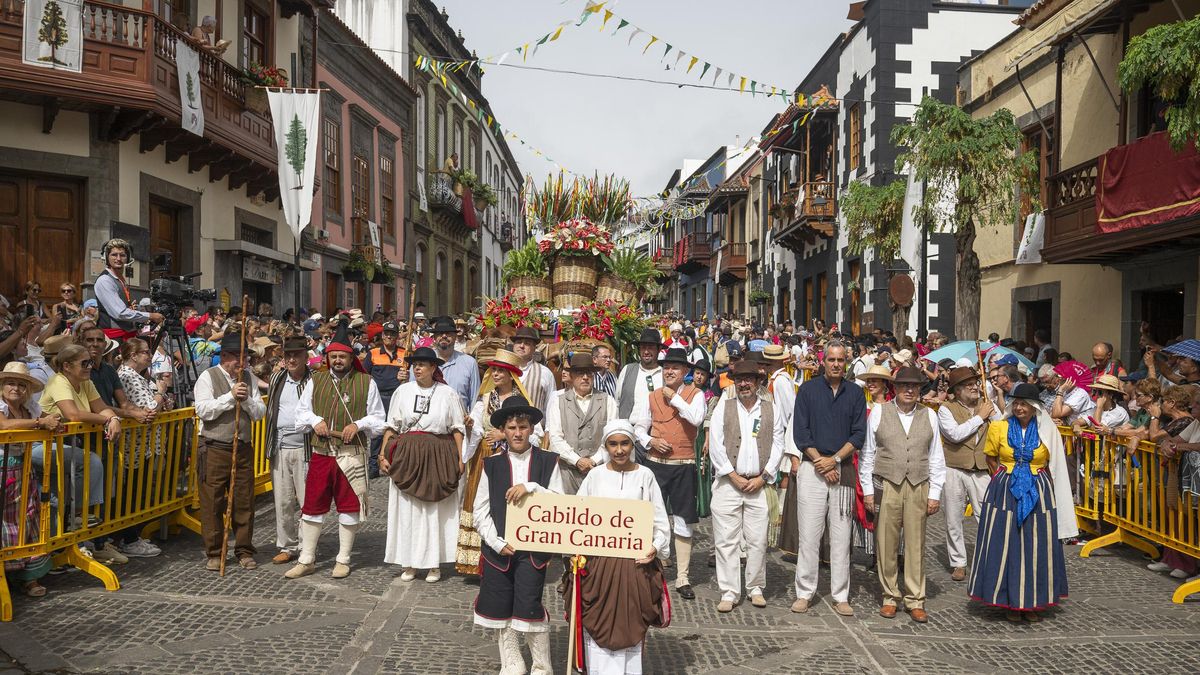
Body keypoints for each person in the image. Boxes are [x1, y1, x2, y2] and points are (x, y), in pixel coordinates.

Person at [968, 383, 1075, 622]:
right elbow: (990, 457)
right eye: (1015, 403)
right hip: (1005, 490)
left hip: (1039, 489)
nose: (1019, 408)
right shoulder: (999, 428)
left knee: (1036, 544)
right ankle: (1008, 600)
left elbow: (1054, 462)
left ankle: (1032, 602)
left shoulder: (1046, 430)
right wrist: (1005, 479)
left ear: (1034, 407)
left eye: (1024, 404)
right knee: (1006, 543)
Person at [286, 322, 386, 579]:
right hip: (322, 453)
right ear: (328, 357)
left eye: (342, 356)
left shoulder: (366, 382)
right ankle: (307, 558)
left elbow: (378, 419)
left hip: (351, 454)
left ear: (352, 358)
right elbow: (301, 412)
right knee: (312, 506)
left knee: (349, 506)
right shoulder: (316, 380)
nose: (338, 360)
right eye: (334, 356)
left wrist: (358, 424)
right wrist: (315, 421)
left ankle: (343, 559)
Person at [471, 395, 561, 675]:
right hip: (500, 551)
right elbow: (480, 510)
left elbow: (560, 501)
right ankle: (512, 662)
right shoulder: (492, 465)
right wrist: (496, 542)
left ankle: (542, 666)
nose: (518, 433)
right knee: (500, 606)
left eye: (523, 427)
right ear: (504, 431)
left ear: (531, 428)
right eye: (512, 428)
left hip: (533, 551)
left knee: (529, 604)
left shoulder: (548, 462)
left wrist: (532, 486)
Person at [573, 420, 670, 674]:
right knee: (598, 626)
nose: (619, 450)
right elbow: (575, 516)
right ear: (605, 446)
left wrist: (655, 547)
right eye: (613, 444)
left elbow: (660, 521)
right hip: (600, 568)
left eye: (624, 443)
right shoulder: (595, 476)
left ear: (632, 444)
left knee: (630, 622)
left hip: (634, 567)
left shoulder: (645, 476)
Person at [859, 367, 946, 623]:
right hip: (888, 483)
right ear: (895, 388)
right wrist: (867, 491)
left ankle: (915, 598)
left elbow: (936, 458)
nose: (910, 390)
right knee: (886, 542)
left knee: (916, 543)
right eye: (905, 386)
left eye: (915, 386)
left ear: (920, 389)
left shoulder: (929, 415)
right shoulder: (879, 412)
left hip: (918, 483)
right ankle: (890, 596)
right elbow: (867, 454)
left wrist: (935, 493)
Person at [787, 341, 865, 617]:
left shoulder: (856, 393)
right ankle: (804, 592)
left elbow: (858, 435)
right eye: (831, 359)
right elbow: (800, 433)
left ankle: (840, 594)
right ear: (823, 361)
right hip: (812, 467)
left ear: (846, 362)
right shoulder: (807, 390)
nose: (835, 364)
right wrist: (821, 462)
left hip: (842, 469)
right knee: (809, 534)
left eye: (840, 360)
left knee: (842, 536)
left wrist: (835, 460)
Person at [380, 346, 465, 583]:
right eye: (414, 364)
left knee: (434, 510)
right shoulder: (403, 392)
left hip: (438, 453)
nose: (416, 368)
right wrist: (382, 455)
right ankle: (409, 562)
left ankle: (433, 563)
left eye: (422, 364)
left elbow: (457, 429)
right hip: (407, 455)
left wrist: (460, 459)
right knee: (408, 510)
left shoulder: (447, 394)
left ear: (433, 368)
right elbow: (391, 426)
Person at [708, 360, 785, 613]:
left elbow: (778, 444)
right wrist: (732, 475)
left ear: (757, 381)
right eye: (739, 379)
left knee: (757, 539)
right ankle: (729, 591)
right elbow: (716, 445)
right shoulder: (724, 406)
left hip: (758, 483)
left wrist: (764, 477)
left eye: (749, 379)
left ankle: (755, 587)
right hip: (728, 483)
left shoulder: (770, 409)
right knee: (726, 540)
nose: (743, 384)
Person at [631, 347, 705, 600]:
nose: (669, 371)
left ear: (685, 371)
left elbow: (695, 419)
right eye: (666, 368)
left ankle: (683, 575)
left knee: (684, 520)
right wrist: (650, 440)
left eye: (674, 367)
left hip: (684, 464)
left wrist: (674, 397)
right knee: (652, 516)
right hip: (655, 464)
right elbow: (637, 426)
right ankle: (657, 567)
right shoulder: (650, 396)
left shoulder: (696, 395)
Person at [459, 349, 536, 577]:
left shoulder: (521, 401)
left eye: (501, 371)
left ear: (511, 375)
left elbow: (533, 429)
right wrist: (471, 425)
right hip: (485, 455)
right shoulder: (485, 398)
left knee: (505, 503)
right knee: (481, 502)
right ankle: (476, 561)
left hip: (511, 456)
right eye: (493, 370)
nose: (495, 374)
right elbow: (478, 426)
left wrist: (504, 434)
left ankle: (511, 551)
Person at [193, 332, 266, 571]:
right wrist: (230, 397)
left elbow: (259, 413)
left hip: (242, 448)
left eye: (244, 357)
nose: (241, 362)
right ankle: (214, 552)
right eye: (237, 357)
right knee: (212, 502)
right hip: (214, 448)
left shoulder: (249, 378)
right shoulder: (208, 377)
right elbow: (203, 410)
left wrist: (244, 400)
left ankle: (244, 550)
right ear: (225, 356)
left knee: (244, 501)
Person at [937, 367, 1000, 582]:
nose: (975, 387)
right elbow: (954, 435)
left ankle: (987, 558)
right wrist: (980, 418)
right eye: (968, 385)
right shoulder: (946, 408)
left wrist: (993, 409)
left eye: (976, 383)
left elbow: (1001, 426)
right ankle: (958, 562)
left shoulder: (987, 406)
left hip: (982, 469)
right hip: (954, 468)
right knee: (953, 518)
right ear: (957, 390)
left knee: (986, 517)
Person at [0, 362, 58, 597]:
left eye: (22, 384)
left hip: (22, 470)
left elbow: (49, 417)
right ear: (2, 386)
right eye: (11, 383)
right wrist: (39, 423)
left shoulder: (30, 407)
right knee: (5, 523)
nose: (16, 388)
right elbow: (2, 426)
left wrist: (52, 420)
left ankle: (28, 577)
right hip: (2, 470)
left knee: (29, 519)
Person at [112, 338, 167, 558]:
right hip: (134, 444)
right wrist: (161, 391)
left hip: (143, 444)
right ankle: (129, 538)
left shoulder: (136, 376)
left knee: (137, 489)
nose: (149, 356)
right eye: (145, 352)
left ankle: (132, 535)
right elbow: (149, 409)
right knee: (132, 490)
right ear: (133, 355)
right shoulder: (127, 375)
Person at [263, 335, 310, 565]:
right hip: (280, 446)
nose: (291, 359)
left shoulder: (315, 380)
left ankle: (306, 545)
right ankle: (287, 545)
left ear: (305, 357)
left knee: (306, 501)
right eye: (288, 355)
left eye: (296, 355)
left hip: (306, 448)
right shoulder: (277, 378)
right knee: (282, 501)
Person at [546, 352, 617, 495]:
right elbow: (555, 438)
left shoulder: (607, 400)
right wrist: (577, 460)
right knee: (568, 512)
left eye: (589, 373)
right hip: (567, 471)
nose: (585, 377)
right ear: (571, 376)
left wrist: (594, 461)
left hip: (598, 471)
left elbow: (612, 437)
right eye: (580, 373)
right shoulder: (558, 401)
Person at [93, 239, 162, 340]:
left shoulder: (120, 279)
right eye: (114, 255)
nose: (118, 258)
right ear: (106, 257)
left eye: (122, 255)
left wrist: (131, 309)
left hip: (125, 336)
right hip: (114, 339)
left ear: (128, 258)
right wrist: (150, 315)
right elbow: (120, 313)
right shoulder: (105, 280)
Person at [366, 321, 407, 479]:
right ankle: (373, 466)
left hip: (398, 396)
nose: (389, 336)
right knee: (377, 432)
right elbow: (364, 373)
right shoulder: (374, 353)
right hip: (379, 398)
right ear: (382, 336)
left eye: (392, 334)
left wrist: (406, 375)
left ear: (397, 336)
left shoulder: (405, 353)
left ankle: (396, 462)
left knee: (396, 430)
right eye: (386, 334)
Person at [429, 316, 479, 413]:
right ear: (434, 337)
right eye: (440, 333)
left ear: (455, 336)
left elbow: (474, 399)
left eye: (448, 333)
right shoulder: (424, 361)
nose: (444, 336)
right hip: (428, 424)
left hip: (459, 423)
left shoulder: (469, 363)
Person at [616, 328, 664, 420]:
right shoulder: (627, 370)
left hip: (656, 431)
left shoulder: (664, 374)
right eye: (643, 347)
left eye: (650, 347)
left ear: (659, 349)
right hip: (630, 428)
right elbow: (617, 402)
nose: (646, 352)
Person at [510, 326, 554, 415]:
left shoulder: (545, 373)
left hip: (536, 428)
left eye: (527, 343)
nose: (522, 346)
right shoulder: (504, 371)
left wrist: (548, 428)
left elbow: (551, 405)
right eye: (518, 342)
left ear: (534, 348)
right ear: (513, 346)